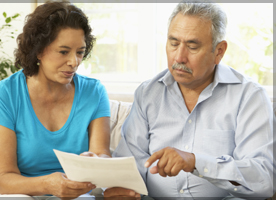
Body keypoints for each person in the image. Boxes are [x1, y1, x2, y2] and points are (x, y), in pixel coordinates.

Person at [105, 1, 275, 199]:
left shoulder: (249, 97)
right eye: (173, 43)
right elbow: (129, 163)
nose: (179, 57)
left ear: (219, 51)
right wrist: (122, 189)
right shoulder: (147, 93)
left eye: (192, 46)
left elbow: (264, 179)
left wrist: (196, 162)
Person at [0, 1, 111, 199]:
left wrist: (95, 161)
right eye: (63, 51)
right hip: (12, 189)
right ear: (38, 50)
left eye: (80, 52)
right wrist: (48, 184)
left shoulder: (94, 92)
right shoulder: (4, 94)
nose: (74, 62)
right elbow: (4, 179)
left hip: (69, 189)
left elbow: (101, 154)